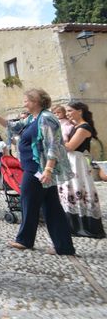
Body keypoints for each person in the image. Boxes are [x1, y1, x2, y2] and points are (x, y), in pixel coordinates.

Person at [0, 89, 76, 255]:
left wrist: (48, 169)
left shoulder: (47, 118)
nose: (24, 103)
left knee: (28, 201)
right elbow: (11, 126)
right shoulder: (33, 119)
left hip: (38, 169)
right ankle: (64, 246)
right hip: (34, 168)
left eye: (26, 100)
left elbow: (53, 145)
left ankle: (25, 240)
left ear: (35, 101)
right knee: (52, 206)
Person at [59, 101, 105, 238]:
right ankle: (73, 225)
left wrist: (57, 139)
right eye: (66, 111)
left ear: (80, 111)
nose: (67, 114)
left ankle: (85, 226)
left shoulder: (84, 127)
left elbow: (70, 147)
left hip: (77, 162)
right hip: (71, 161)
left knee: (79, 190)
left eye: (70, 111)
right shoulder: (75, 126)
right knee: (71, 190)